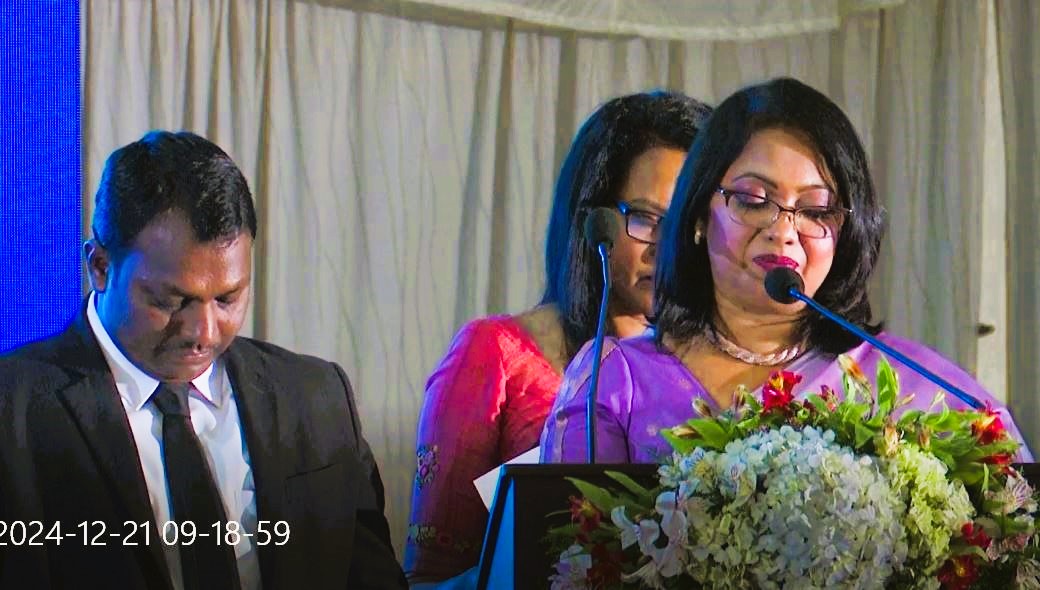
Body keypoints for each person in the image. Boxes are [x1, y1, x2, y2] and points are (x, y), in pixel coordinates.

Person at [540, 78, 1034, 464]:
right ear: (697, 218)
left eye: (816, 211)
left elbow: (1020, 512)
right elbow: (565, 544)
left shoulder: (908, 381)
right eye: (754, 200)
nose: (784, 231)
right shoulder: (616, 379)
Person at [0, 131, 405, 590]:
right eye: (172, 301)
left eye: (228, 298)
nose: (205, 333)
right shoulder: (13, 414)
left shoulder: (317, 400)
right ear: (100, 267)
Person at [402, 91, 711, 585]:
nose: (667, 248)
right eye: (646, 219)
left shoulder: (710, 370)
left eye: (686, 225)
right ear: (591, 222)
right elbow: (427, 580)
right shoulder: (495, 353)